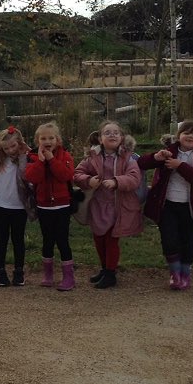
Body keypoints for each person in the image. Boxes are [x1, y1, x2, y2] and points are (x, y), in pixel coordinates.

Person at [138, 120, 193, 290]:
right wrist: (156, 157)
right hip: (167, 204)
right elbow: (142, 163)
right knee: (169, 239)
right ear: (179, 136)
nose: (191, 136)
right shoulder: (169, 152)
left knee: (187, 240)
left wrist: (180, 166)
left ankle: (185, 274)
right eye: (186, 133)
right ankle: (175, 273)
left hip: (189, 206)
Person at [74, 121, 144, 290]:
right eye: (107, 133)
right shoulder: (92, 157)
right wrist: (88, 180)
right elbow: (77, 173)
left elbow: (134, 178)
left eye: (116, 132)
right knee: (99, 238)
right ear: (100, 139)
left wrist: (117, 181)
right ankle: (105, 269)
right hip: (98, 205)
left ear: (122, 137)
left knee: (111, 240)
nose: (112, 135)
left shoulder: (128, 158)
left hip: (118, 206)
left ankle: (111, 273)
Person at [0, 126, 36, 287]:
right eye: (6, 148)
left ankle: (19, 271)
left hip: (19, 205)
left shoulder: (26, 157)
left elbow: (27, 173)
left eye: (13, 146)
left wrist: (23, 153)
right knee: (1, 239)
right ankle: (0, 270)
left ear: (19, 143)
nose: (10, 150)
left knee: (18, 239)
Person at [25, 122, 76, 290]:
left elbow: (65, 175)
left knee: (62, 240)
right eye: (43, 138)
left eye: (51, 138)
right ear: (38, 141)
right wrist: (41, 161)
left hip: (62, 206)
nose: (47, 141)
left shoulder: (65, 155)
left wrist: (51, 160)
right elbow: (33, 177)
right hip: (44, 206)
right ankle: (48, 274)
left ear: (58, 140)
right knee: (47, 241)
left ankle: (68, 277)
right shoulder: (33, 157)